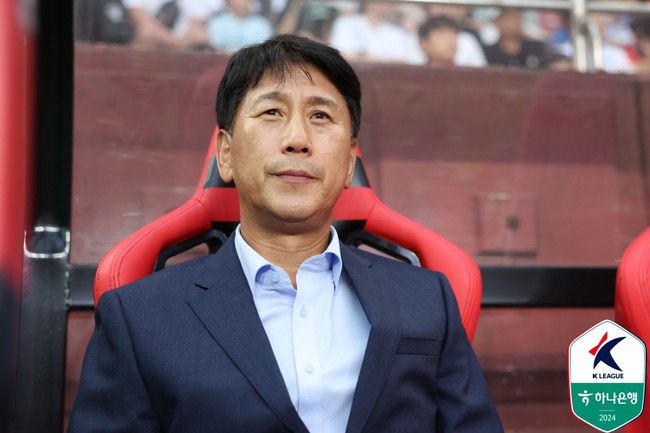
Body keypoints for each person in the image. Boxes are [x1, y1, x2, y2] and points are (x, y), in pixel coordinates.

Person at [68, 35, 504, 433]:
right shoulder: (140, 317)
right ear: (226, 154)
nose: (298, 139)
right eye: (272, 112)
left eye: (320, 116)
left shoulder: (427, 299)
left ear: (349, 163)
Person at [329, 1, 420, 63]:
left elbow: (400, 62)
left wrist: (364, 57)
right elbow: (342, 56)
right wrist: (385, 60)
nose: (384, 4)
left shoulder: (396, 32)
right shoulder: (346, 23)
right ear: (367, 4)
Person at [125, 0, 223, 49]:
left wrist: (178, 44)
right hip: (150, 51)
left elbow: (199, 32)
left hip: (186, 55)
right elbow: (144, 26)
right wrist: (175, 43)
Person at [484, 8, 562, 70]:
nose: (515, 21)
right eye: (510, 17)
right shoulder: (489, 52)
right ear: (498, 21)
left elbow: (560, 64)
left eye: (517, 16)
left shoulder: (536, 47)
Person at [206, 0, 273, 53]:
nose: (242, 2)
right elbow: (214, 49)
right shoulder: (217, 22)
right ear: (229, 1)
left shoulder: (262, 24)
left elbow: (265, 50)